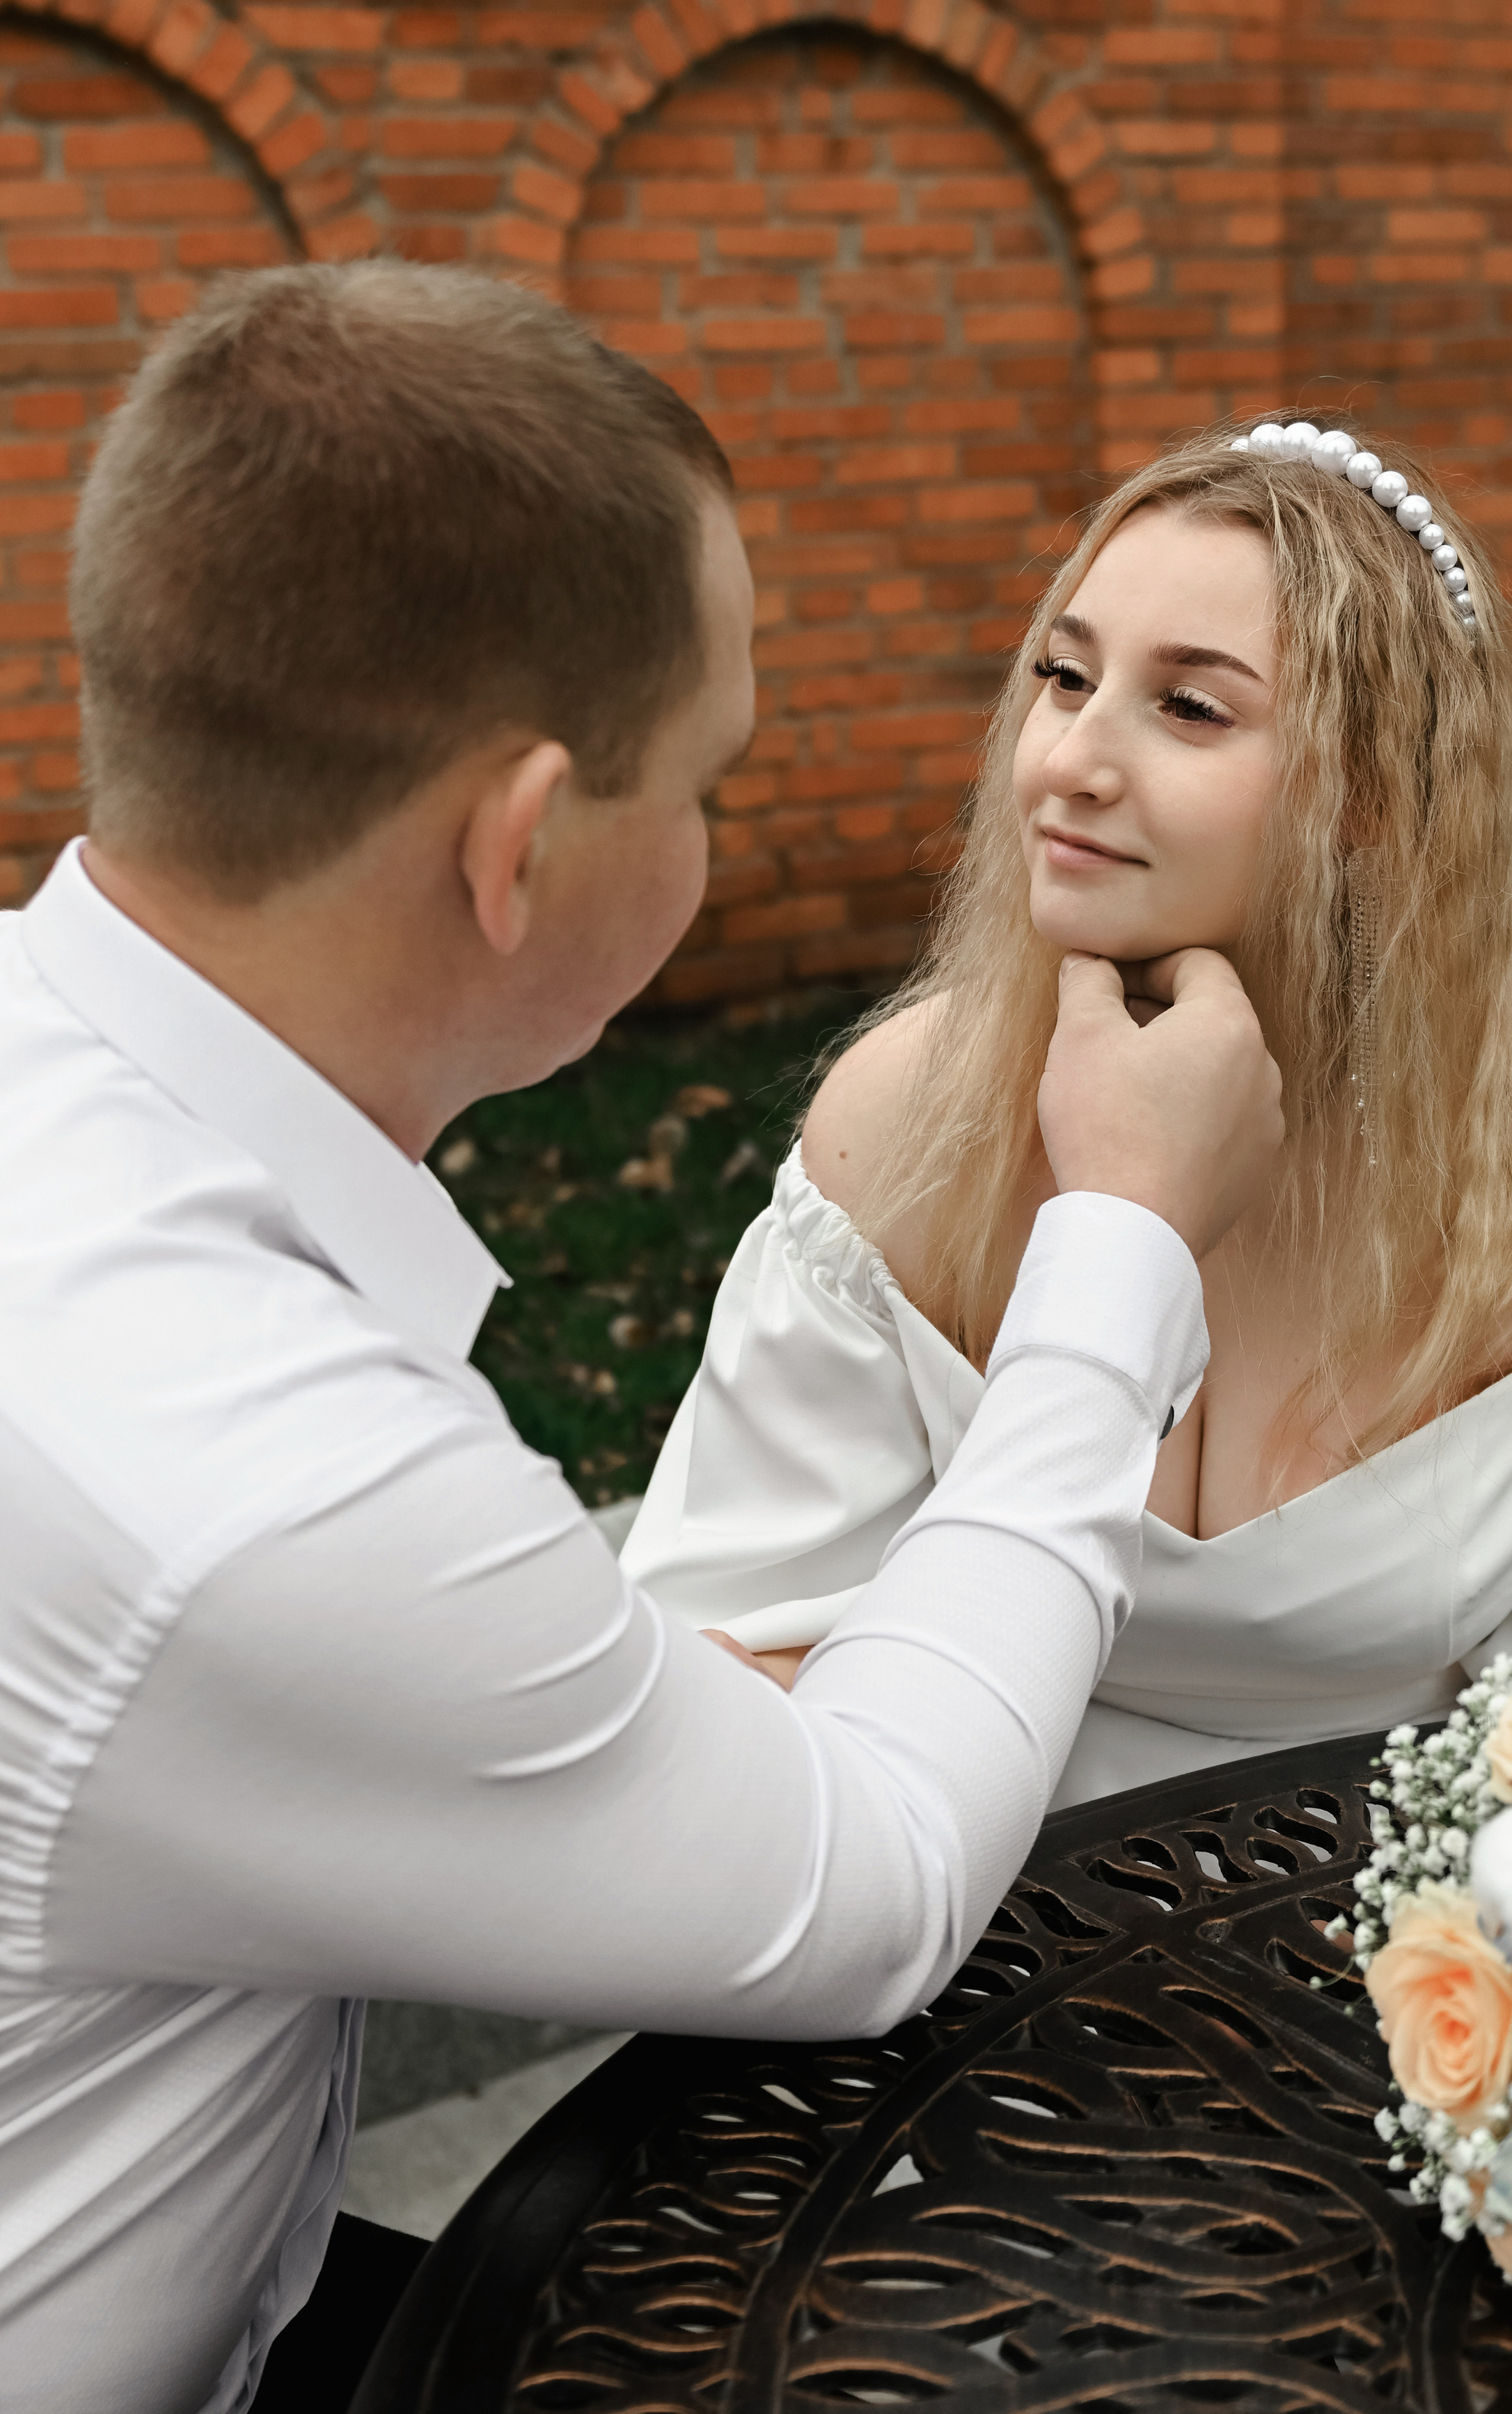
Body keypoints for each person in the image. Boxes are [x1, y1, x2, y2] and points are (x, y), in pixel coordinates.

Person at [0, 266, 1289, 2414]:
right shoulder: (258, 1477)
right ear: (517, 847)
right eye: (709, 784)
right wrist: (1127, 1244)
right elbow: (872, 1885)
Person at [624, 417, 1512, 1806]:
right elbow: (723, 1671)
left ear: (1372, 795)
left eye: (1188, 708)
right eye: (1065, 677)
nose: (1069, 761)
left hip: (1413, 1912)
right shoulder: (905, 1119)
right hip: (961, 1901)